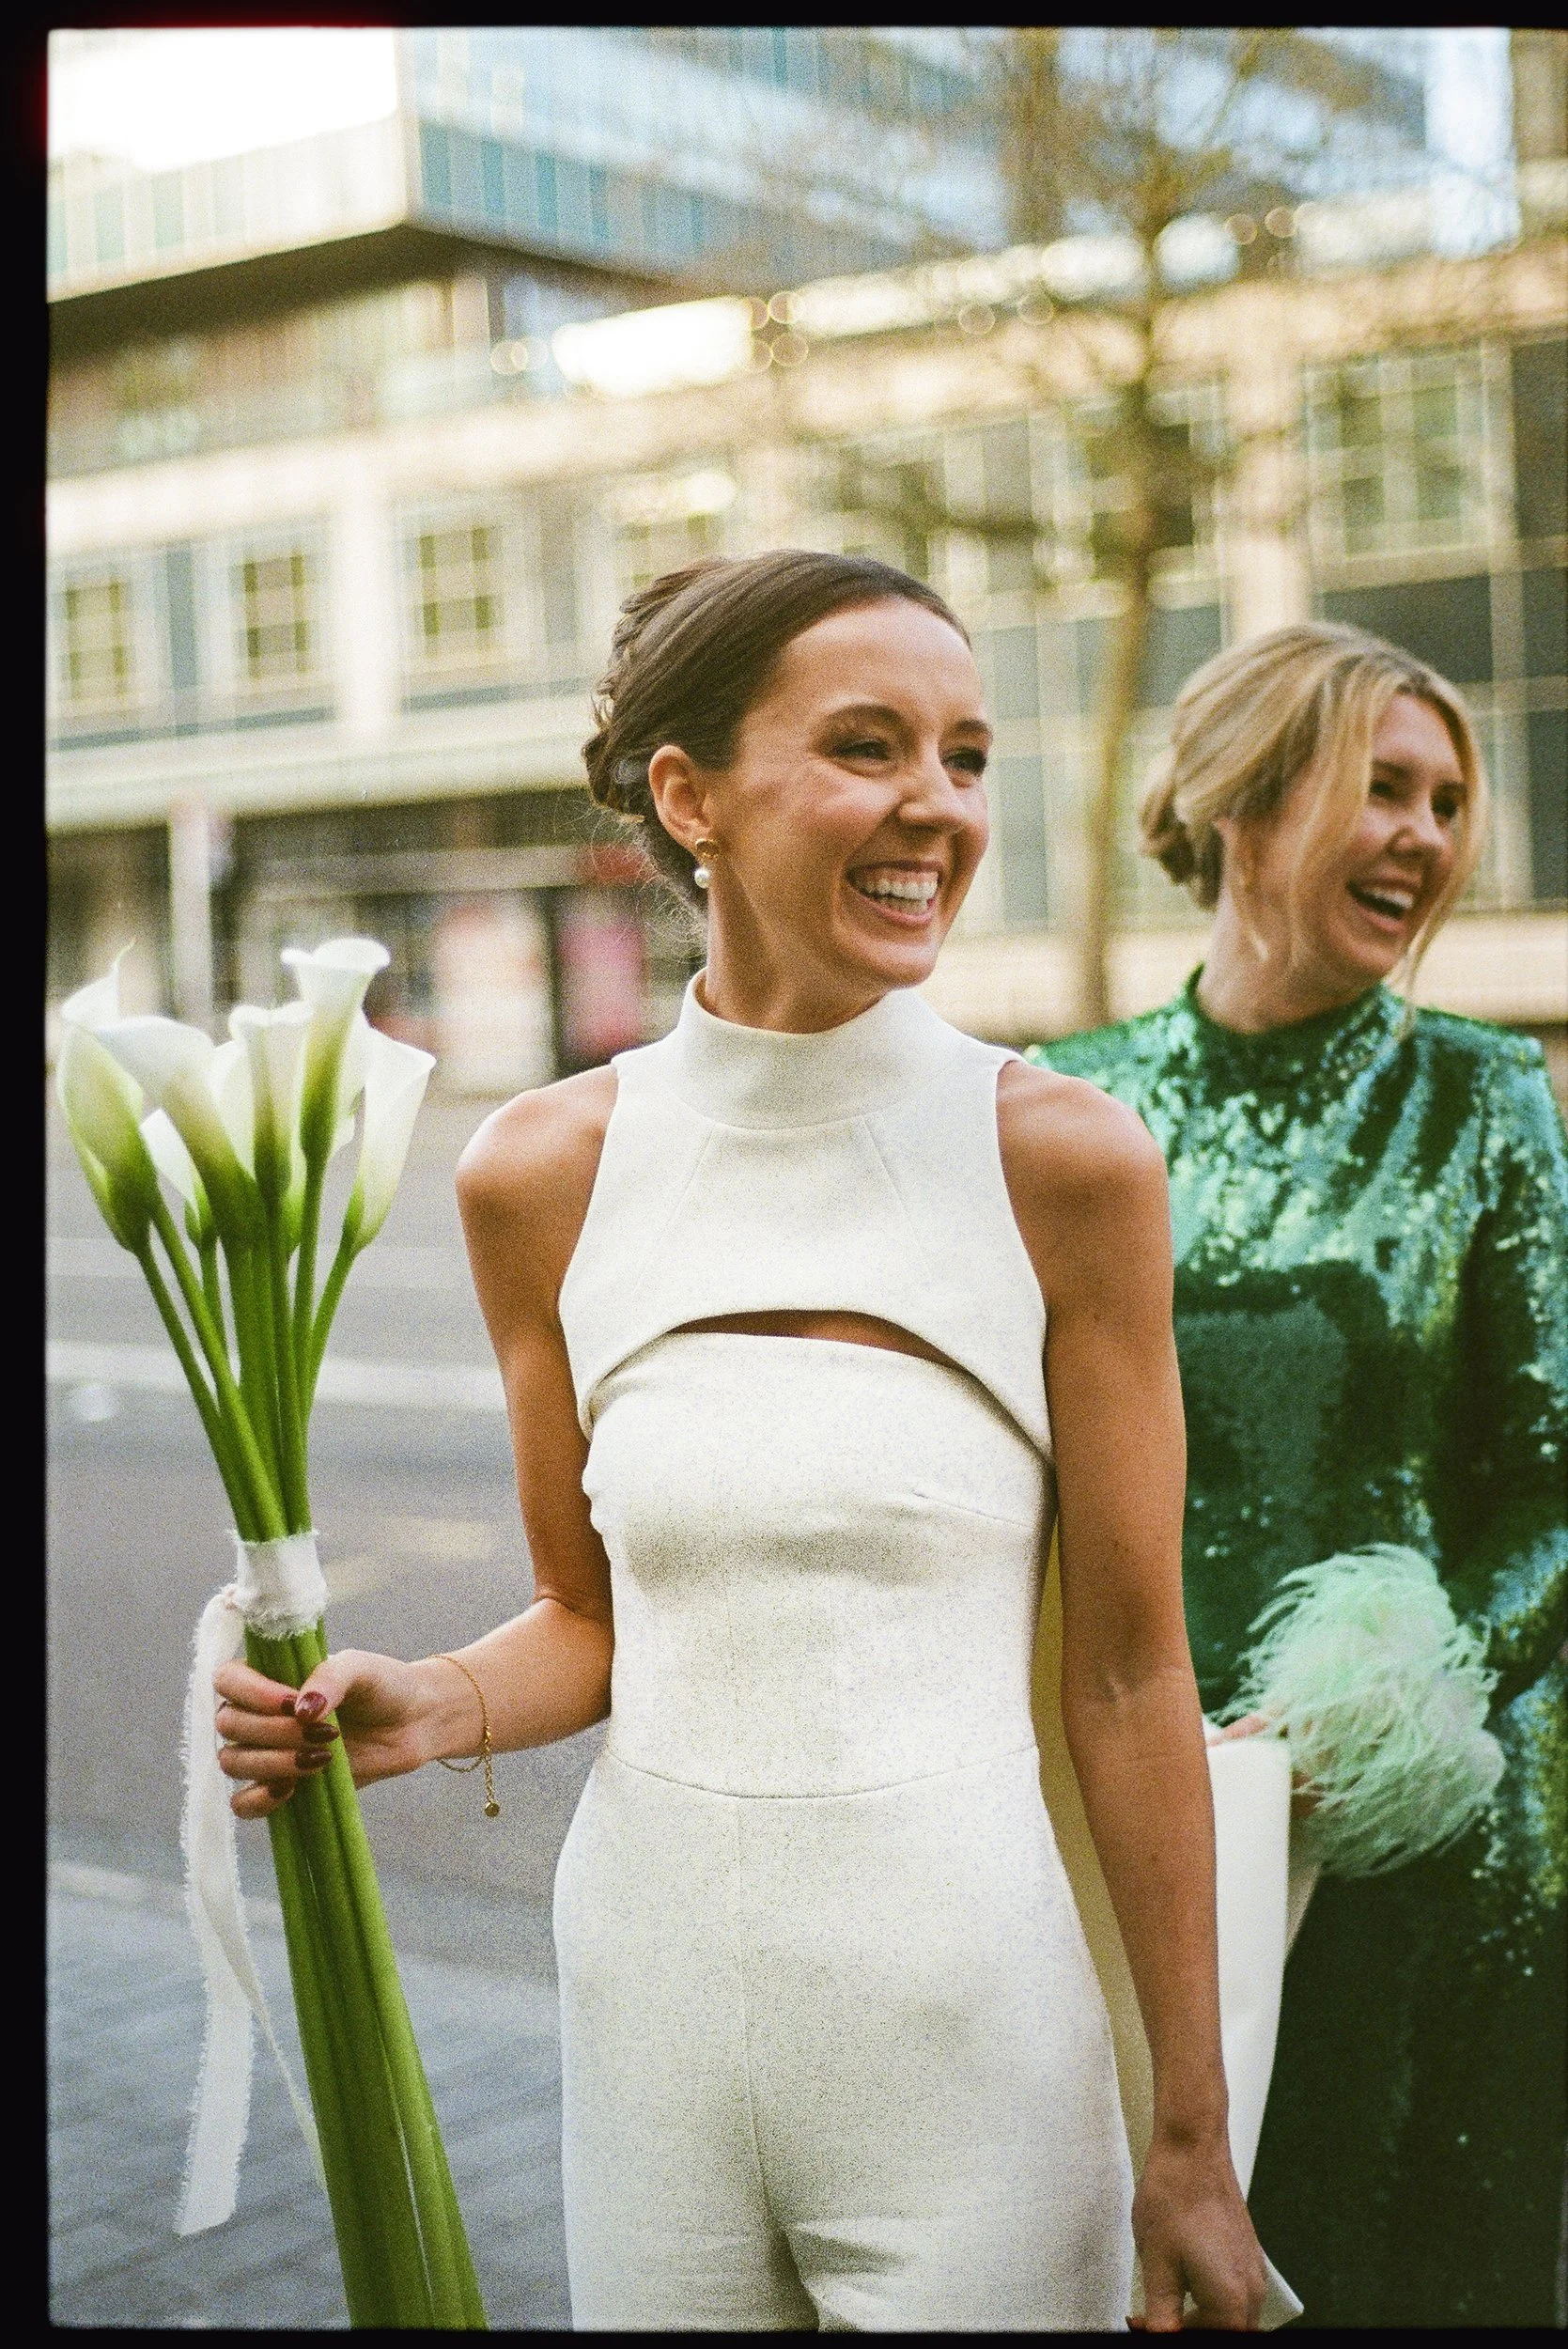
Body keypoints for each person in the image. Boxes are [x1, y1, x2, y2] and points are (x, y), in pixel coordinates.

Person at [214, 550, 1269, 2331]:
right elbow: (591, 1612)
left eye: (965, 755)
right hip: (652, 2027)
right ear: (690, 796)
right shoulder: (537, 1172)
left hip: (977, 2048)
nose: (933, 807)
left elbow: (1128, 1680)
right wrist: (431, 1702)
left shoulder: (1066, 1163)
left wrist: (1190, 2138)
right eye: (868, 747)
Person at [1034, 620, 1568, 2328]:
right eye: (1380, 788)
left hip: (1432, 1845)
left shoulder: (1484, 1097)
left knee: (1405, 2266)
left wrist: (1382, 1711)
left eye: (1446, 800)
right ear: (1245, 809)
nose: (1423, 834)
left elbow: (1556, 1479)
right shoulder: (1077, 1104)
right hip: (1144, 1803)